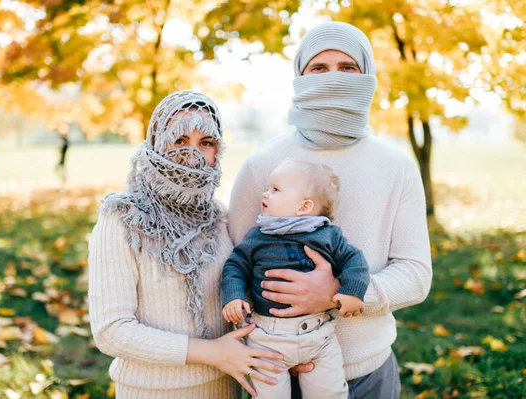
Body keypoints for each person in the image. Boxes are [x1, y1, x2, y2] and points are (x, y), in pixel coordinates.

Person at [228, 22, 433, 399]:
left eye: (348, 67)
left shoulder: (397, 166)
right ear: (299, 76)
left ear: (366, 76)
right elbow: (235, 265)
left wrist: (337, 294)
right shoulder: (263, 166)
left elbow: (416, 274)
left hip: (369, 373)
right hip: (275, 371)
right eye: (319, 69)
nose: (333, 79)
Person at [88, 91, 283, 399]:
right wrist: (211, 353)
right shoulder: (122, 219)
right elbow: (111, 331)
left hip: (224, 388)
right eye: (179, 140)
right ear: (156, 142)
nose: (192, 154)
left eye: (206, 142)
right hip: (152, 392)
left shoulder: (219, 216)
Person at [222, 160, 370, 399]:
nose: (265, 193)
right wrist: (234, 295)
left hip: (318, 336)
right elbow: (235, 266)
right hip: (267, 340)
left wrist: (352, 292)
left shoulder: (327, 235)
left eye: (275, 190)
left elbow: (355, 261)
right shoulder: (258, 236)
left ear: (304, 207)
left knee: (330, 394)